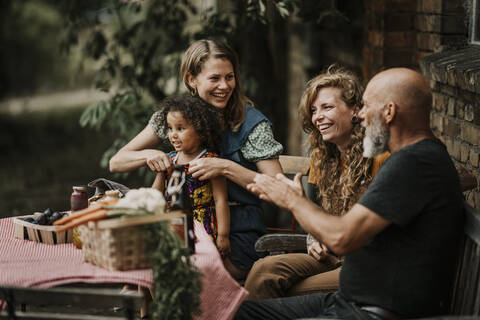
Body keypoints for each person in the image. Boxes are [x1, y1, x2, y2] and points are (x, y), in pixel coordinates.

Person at [236, 68, 464, 319]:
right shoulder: (411, 159)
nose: (362, 115)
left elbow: (342, 238)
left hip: (370, 311)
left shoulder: (415, 163)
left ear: (389, 112)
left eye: (366, 106)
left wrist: (292, 200)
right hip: (349, 300)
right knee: (235, 311)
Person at [109, 39, 283, 280]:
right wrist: (149, 153)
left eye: (229, 77)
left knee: (184, 272)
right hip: (183, 226)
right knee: (140, 261)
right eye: (214, 78)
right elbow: (117, 162)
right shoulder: (176, 117)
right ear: (192, 79)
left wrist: (225, 167)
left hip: (235, 232)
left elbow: (282, 190)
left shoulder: (251, 123)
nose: (224, 86)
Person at [244, 66, 389, 300]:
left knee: (289, 291)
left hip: (367, 264)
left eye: (327, 107)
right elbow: (319, 215)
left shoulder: (379, 155)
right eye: (313, 110)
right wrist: (313, 238)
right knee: (263, 271)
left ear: (355, 110)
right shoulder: (322, 158)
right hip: (331, 257)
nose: (317, 116)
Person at [150, 94, 230, 257]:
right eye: (170, 128)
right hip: (172, 223)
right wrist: (160, 173)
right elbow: (155, 196)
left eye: (180, 128)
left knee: (199, 261)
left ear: (200, 129)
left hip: (202, 226)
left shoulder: (210, 161)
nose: (173, 134)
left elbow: (220, 199)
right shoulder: (169, 159)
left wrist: (223, 235)